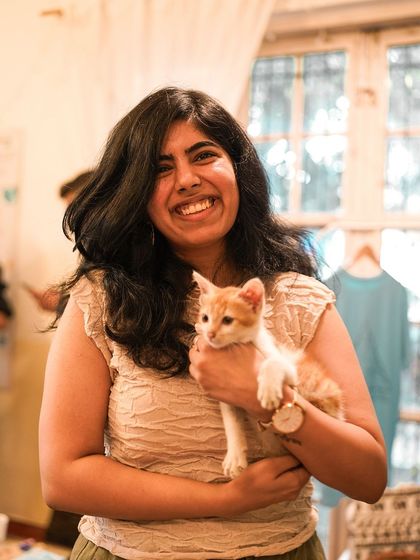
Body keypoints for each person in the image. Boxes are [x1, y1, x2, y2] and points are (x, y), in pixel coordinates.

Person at [38, 86, 387, 560]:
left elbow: (367, 479)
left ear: (237, 170)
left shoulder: (300, 301)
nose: (186, 180)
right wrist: (227, 499)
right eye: (160, 168)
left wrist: (264, 398)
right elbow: (62, 478)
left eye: (204, 155)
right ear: (137, 193)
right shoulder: (100, 301)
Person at [23, 171, 93, 312]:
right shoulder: (91, 249)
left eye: (74, 209)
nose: (71, 219)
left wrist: (61, 303)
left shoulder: (115, 249)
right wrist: (64, 299)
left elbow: (108, 308)